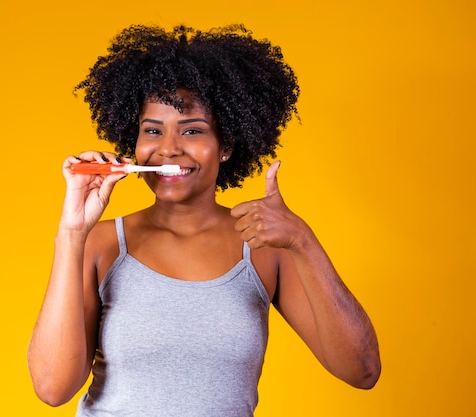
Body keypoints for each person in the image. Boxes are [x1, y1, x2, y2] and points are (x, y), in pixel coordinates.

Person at [27, 24, 381, 416]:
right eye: (152, 131)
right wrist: (72, 233)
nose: (168, 149)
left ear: (226, 145)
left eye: (192, 130)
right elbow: (52, 387)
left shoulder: (264, 247)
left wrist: (302, 239)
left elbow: (362, 371)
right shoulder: (100, 244)